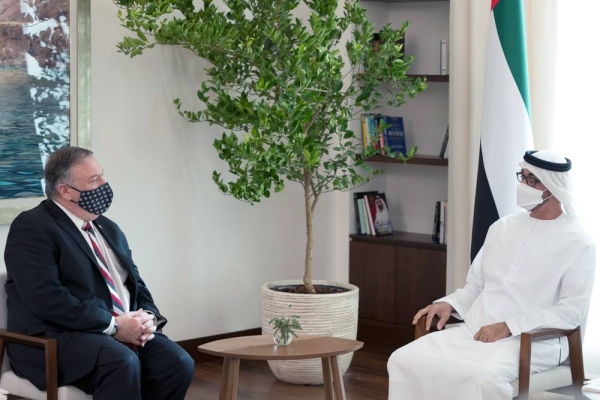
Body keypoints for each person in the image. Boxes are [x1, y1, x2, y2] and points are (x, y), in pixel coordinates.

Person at [387, 150, 596, 399]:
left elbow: (570, 312)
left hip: (536, 342)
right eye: (523, 177)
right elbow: (477, 283)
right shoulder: (502, 227)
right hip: (476, 330)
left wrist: (508, 327)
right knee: (404, 359)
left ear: (553, 186)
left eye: (533, 180)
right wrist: (448, 304)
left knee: (483, 377)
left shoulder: (579, 242)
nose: (524, 185)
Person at [4, 147, 195, 400]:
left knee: (177, 362)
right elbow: (47, 299)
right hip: (57, 340)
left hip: (114, 332)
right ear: (65, 191)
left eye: (102, 175)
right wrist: (114, 326)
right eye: (94, 180)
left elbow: (135, 284)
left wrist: (148, 317)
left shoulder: (108, 227)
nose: (105, 184)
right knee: (121, 361)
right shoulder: (32, 226)